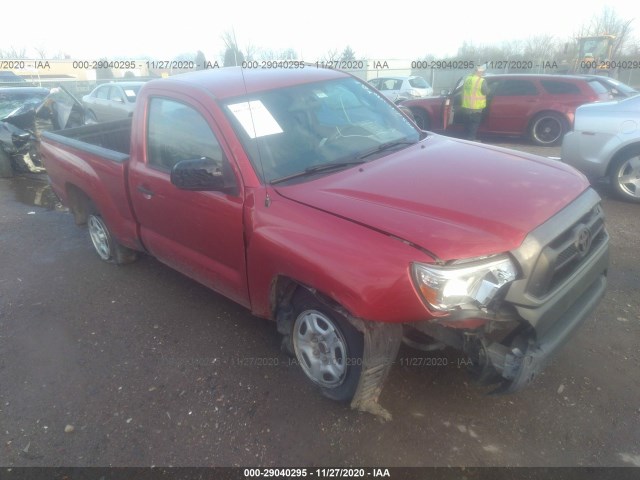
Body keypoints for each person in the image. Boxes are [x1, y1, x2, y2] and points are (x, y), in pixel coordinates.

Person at [461, 64, 489, 141]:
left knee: (467, 124)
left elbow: (463, 91)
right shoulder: (481, 81)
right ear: (478, 72)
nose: (482, 74)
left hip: (466, 106)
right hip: (476, 108)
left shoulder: (467, 79)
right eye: (482, 72)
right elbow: (486, 92)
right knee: (474, 124)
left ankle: (465, 139)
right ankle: (471, 140)